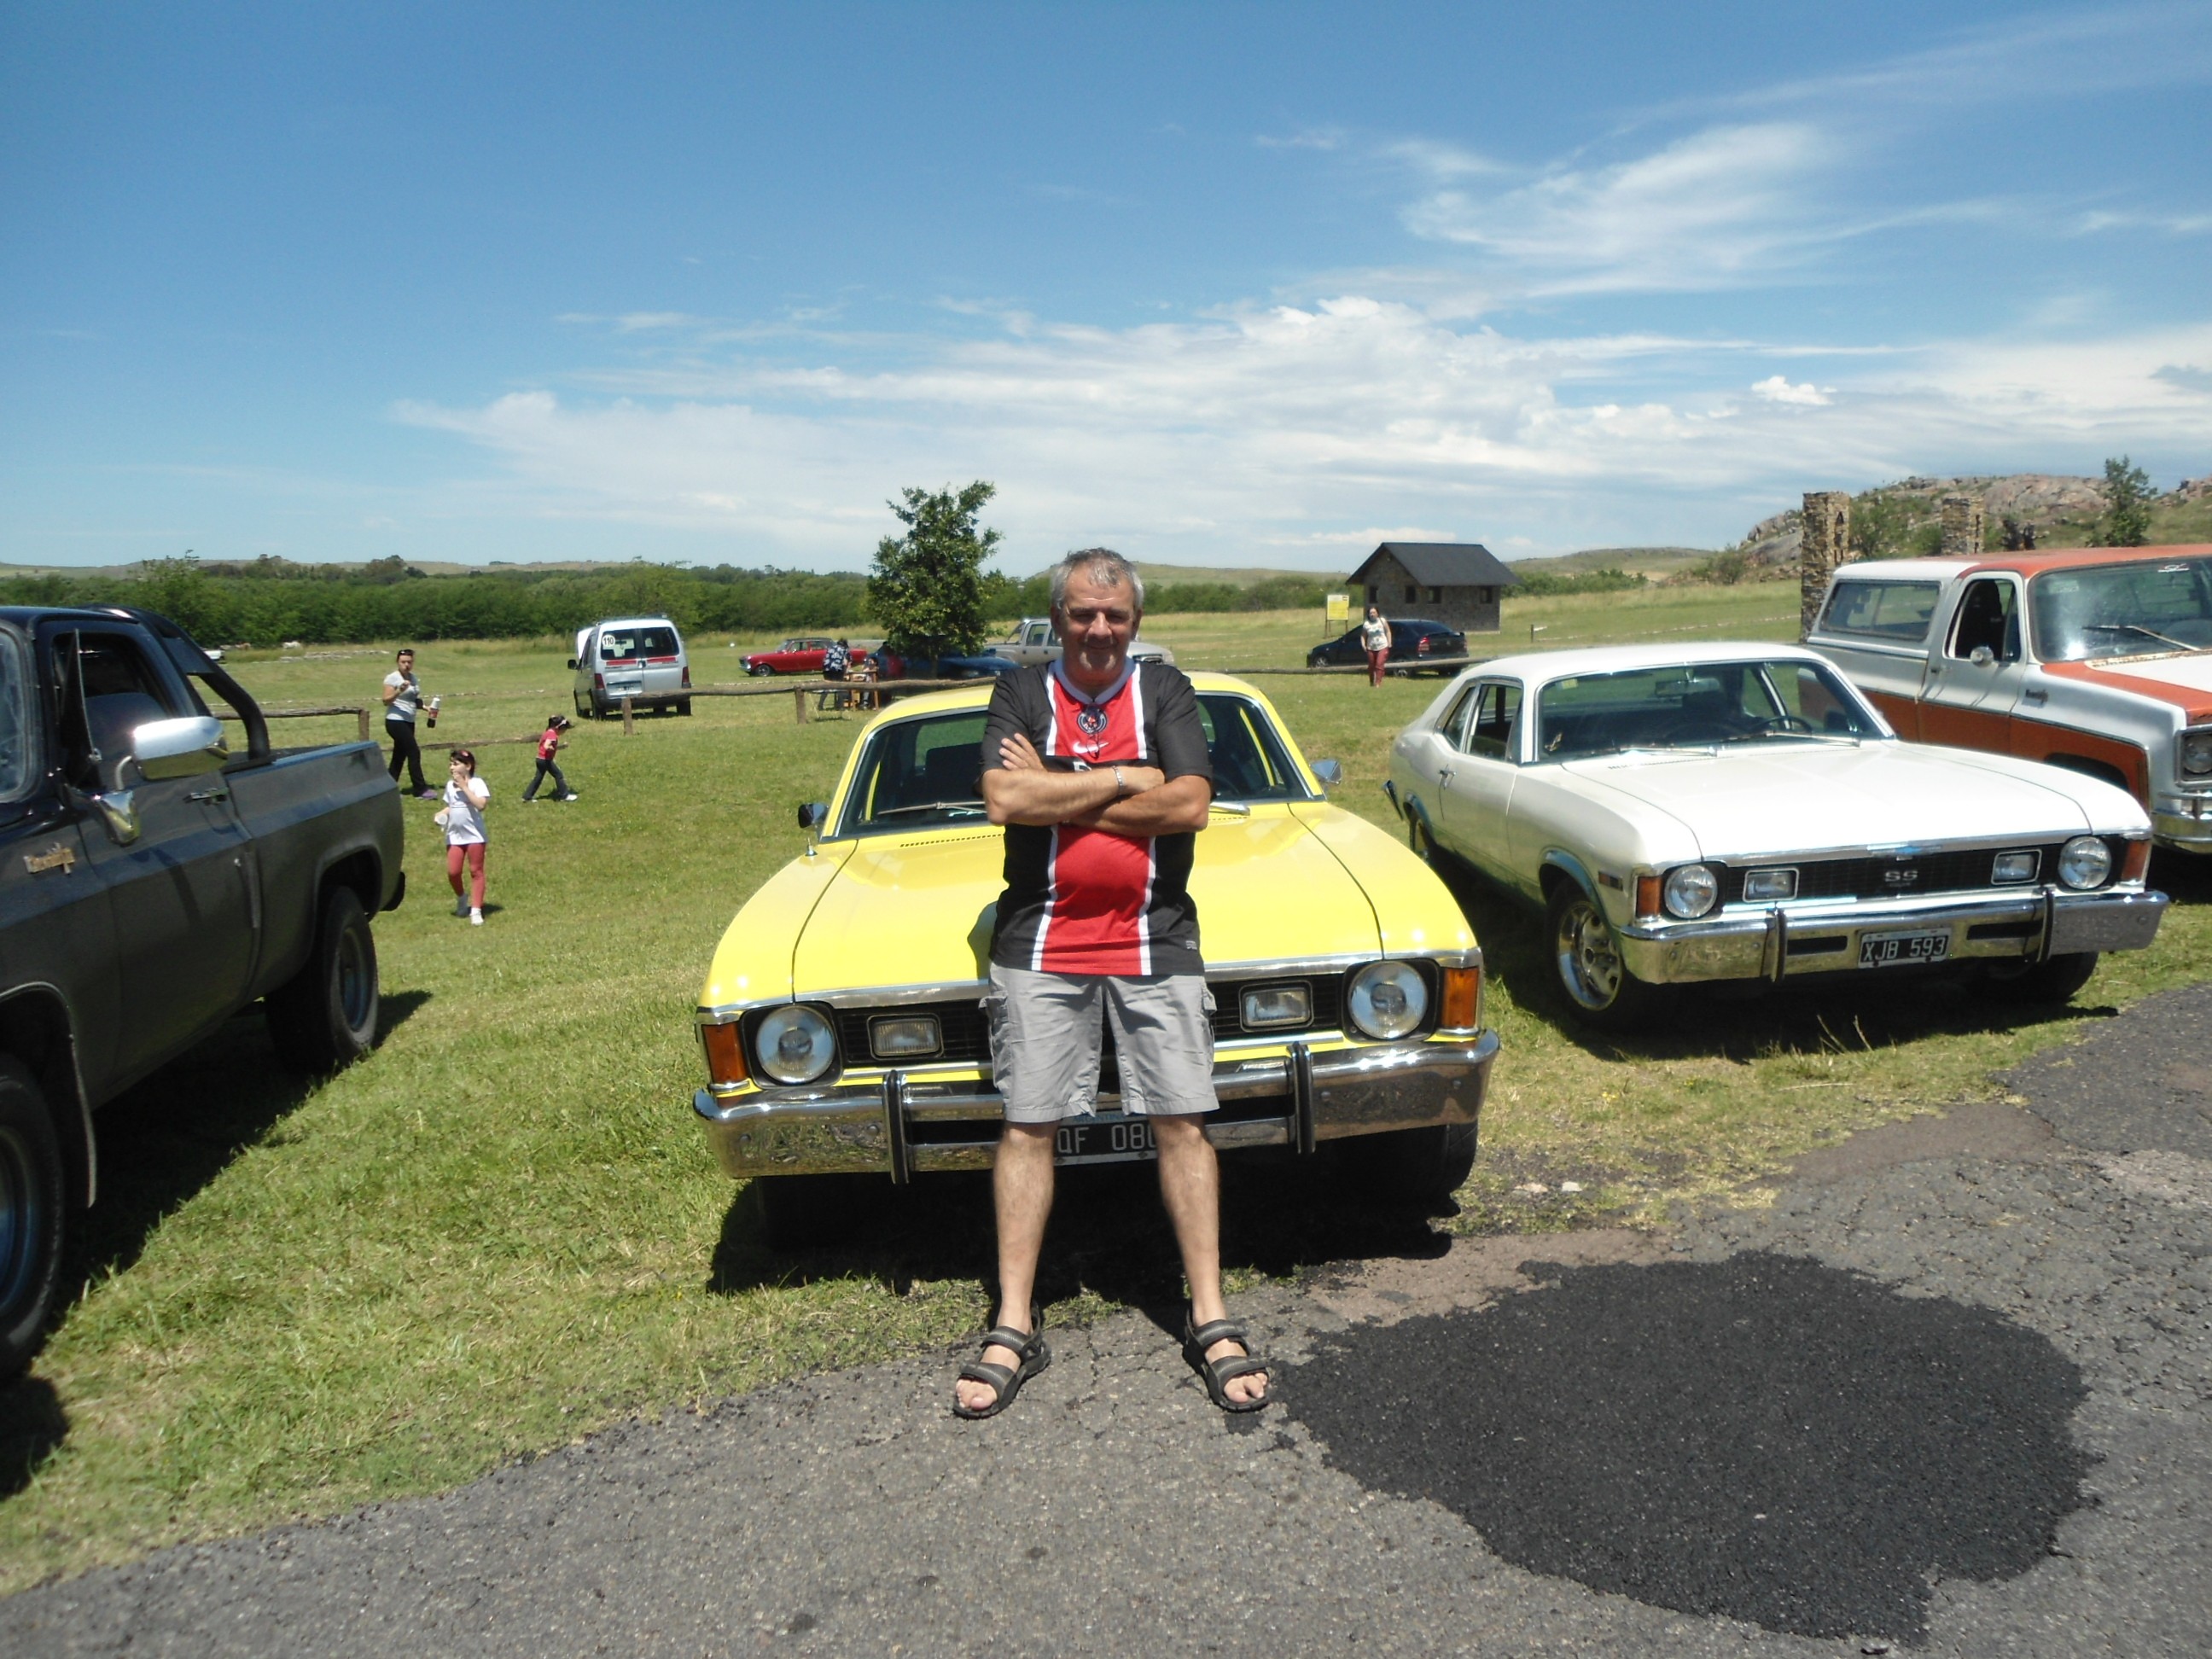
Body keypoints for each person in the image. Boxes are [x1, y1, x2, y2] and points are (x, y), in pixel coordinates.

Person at [952, 547, 1270, 1420]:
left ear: (1134, 622)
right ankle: (1012, 1323)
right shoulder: (1019, 690)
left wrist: (1057, 783)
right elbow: (1004, 803)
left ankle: (1209, 1314)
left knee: (1182, 1124)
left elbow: (1191, 804)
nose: (1099, 629)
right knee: (1027, 1127)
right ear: (1058, 618)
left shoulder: (1164, 691)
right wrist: (1129, 777)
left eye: (1115, 616)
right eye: (1084, 614)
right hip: (1038, 942)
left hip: (1155, 938)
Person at [438, 748, 491, 925]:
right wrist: (441, 814)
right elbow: (452, 806)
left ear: (468, 766)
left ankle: (476, 910)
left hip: (475, 835)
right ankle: (462, 897)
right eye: (451, 763)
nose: (451, 767)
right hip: (454, 836)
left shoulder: (477, 784)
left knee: (476, 871)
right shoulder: (449, 786)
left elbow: (481, 805)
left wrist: (464, 787)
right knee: (453, 872)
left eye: (456, 763)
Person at [382, 649, 437, 795]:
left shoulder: (413, 678)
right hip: (395, 721)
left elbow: (414, 699)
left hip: (409, 720)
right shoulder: (392, 678)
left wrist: (426, 708)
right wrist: (399, 691)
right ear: (397, 662)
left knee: (399, 755)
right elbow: (386, 701)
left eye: (409, 662)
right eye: (403, 662)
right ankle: (420, 789)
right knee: (413, 751)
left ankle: (388, 788)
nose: (406, 665)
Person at [521, 714, 579, 802]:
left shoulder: (548, 732)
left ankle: (527, 796)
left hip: (540, 759)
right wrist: (549, 748)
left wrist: (561, 747)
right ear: (559, 728)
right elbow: (546, 745)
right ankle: (564, 796)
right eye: (564, 729)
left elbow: (550, 746)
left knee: (538, 778)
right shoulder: (552, 735)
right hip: (546, 760)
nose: (564, 732)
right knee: (559, 775)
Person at [1360, 604, 1393, 687]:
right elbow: (1363, 636)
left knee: (1379, 664)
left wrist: (1389, 642)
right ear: (1368, 614)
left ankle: (1378, 683)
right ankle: (1371, 681)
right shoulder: (1366, 624)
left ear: (1377, 613)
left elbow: (1388, 631)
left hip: (1382, 646)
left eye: (1374, 612)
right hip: (1371, 647)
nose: (1372, 614)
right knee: (1371, 666)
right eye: (1371, 613)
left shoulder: (1382, 621)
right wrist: (1363, 645)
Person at [823, 637, 851, 710]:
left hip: (827, 670)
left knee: (827, 687)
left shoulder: (831, 648)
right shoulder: (844, 650)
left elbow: (825, 660)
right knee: (840, 687)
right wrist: (845, 672)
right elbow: (845, 662)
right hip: (837, 670)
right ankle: (841, 706)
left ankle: (820, 704)